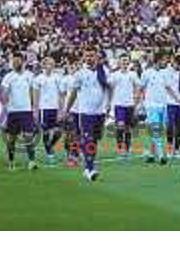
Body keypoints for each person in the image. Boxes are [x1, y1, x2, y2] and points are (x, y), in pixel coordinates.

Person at [63, 47, 110, 182]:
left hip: (100, 112)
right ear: (84, 58)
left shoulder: (104, 71)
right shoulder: (80, 74)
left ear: (96, 57)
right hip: (85, 113)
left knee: (94, 140)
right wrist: (67, 109)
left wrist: (108, 105)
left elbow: (109, 88)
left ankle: (88, 167)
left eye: (92, 55)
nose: (89, 58)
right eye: (87, 56)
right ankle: (90, 169)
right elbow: (73, 93)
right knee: (88, 138)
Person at [1, 53, 37, 170]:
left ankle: (31, 161)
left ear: (23, 62)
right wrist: (5, 104)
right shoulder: (8, 77)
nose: (15, 63)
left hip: (26, 110)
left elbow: (32, 92)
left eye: (18, 61)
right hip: (13, 111)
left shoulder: (30, 76)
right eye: (14, 61)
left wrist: (34, 108)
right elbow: (4, 92)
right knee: (12, 138)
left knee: (28, 136)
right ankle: (11, 161)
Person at [108, 54, 140, 161]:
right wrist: (109, 103)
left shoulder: (133, 74)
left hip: (130, 104)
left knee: (128, 128)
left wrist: (136, 101)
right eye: (123, 61)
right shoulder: (114, 75)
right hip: (119, 104)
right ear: (119, 62)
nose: (125, 64)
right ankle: (120, 147)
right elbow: (109, 88)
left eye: (126, 62)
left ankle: (127, 148)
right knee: (120, 126)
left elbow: (138, 87)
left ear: (129, 63)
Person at [33, 56, 65, 165]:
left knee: (59, 131)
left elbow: (61, 95)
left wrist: (61, 110)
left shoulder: (58, 78)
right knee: (46, 132)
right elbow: (36, 96)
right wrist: (36, 110)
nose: (50, 66)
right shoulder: (38, 79)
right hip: (44, 109)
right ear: (44, 65)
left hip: (55, 108)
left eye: (52, 64)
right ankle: (49, 154)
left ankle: (51, 145)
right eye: (48, 64)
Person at [140, 52, 169, 164]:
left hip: (162, 105)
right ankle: (161, 155)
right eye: (164, 60)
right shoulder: (146, 73)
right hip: (151, 105)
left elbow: (167, 87)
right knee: (156, 129)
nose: (166, 62)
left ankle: (151, 154)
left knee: (158, 130)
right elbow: (141, 88)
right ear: (158, 60)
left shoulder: (165, 73)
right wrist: (140, 103)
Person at [164, 53, 180, 159]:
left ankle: (177, 149)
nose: (179, 66)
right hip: (170, 103)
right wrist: (177, 99)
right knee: (170, 126)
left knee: (179, 127)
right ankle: (169, 148)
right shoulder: (167, 71)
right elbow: (168, 88)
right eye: (178, 64)